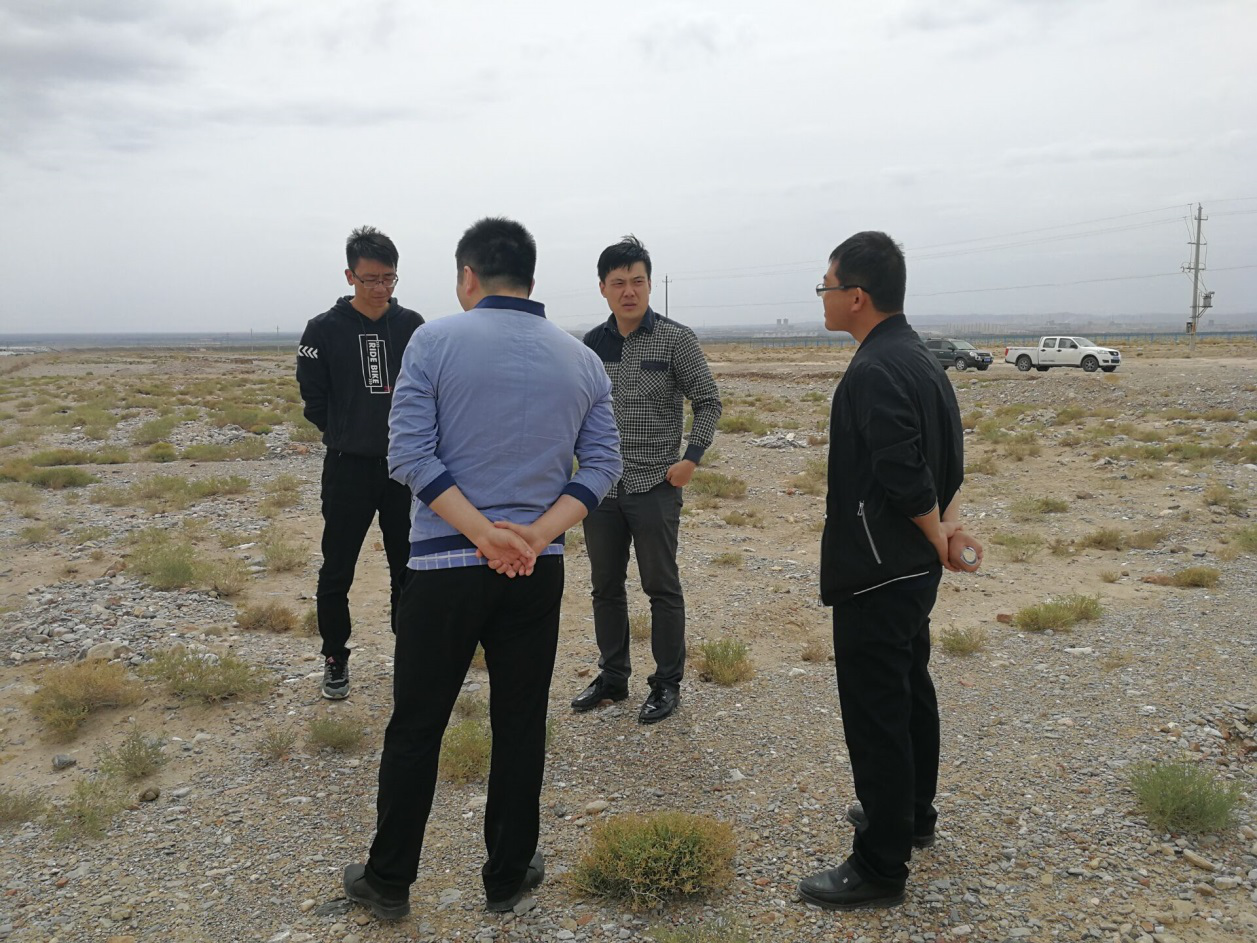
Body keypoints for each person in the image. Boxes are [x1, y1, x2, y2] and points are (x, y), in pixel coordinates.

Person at [341, 217, 622, 919]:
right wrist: (533, 534)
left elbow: (408, 454)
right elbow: (603, 465)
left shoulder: (433, 340)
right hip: (535, 567)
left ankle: (389, 879)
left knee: (418, 723)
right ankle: (506, 876)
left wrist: (480, 533)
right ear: (530, 277)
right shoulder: (581, 359)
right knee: (521, 722)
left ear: (468, 276)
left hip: (443, 565)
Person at [798, 231, 976, 911]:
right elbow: (949, 457)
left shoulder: (875, 368)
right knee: (908, 689)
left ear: (856, 296)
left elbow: (904, 470)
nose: (821, 296)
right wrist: (947, 530)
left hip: (877, 569)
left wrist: (937, 534)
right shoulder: (919, 356)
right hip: (908, 568)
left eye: (826, 285)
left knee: (876, 711)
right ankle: (910, 814)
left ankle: (879, 863)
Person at [572, 235, 722, 725]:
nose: (629, 291)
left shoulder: (676, 339)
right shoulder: (590, 346)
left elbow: (708, 401)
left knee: (661, 587)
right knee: (605, 587)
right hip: (602, 489)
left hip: (656, 484)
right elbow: (577, 410)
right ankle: (613, 677)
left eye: (637, 281)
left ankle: (666, 684)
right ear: (603, 288)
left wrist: (691, 459)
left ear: (650, 284)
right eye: (618, 283)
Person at [297, 226, 424, 700]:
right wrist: (347, 431)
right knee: (337, 568)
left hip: (403, 468)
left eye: (389, 278)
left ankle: (410, 654)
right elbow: (314, 399)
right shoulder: (323, 329)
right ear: (350, 275)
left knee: (408, 567)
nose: (380, 288)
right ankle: (335, 657)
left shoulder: (412, 326)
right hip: (347, 467)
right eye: (370, 279)